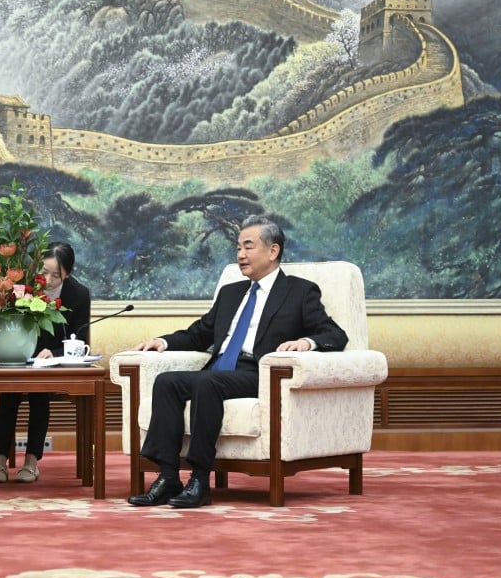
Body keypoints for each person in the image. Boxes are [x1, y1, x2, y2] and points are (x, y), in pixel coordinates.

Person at [127, 215, 348, 508]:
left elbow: (335, 334)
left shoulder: (299, 291)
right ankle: (168, 477)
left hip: (258, 373)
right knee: (167, 382)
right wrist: (163, 342)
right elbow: (200, 333)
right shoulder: (232, 292)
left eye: (248, 247)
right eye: (238, 248)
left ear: (273, 251)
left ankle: (200, 480)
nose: (240, 255)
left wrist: (306, 343)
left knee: (208, 383)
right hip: (220, 372)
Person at [0, 241, 91, 484]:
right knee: (8, 394)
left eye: (57, 274)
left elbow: (81, 337)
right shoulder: (23, 287)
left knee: (39, 394)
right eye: (44, 271)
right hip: (19, 355)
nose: (49, 279)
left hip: (50, 360)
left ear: (68, 273)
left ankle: (31, 462)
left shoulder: (78, 294)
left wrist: (54, 353)